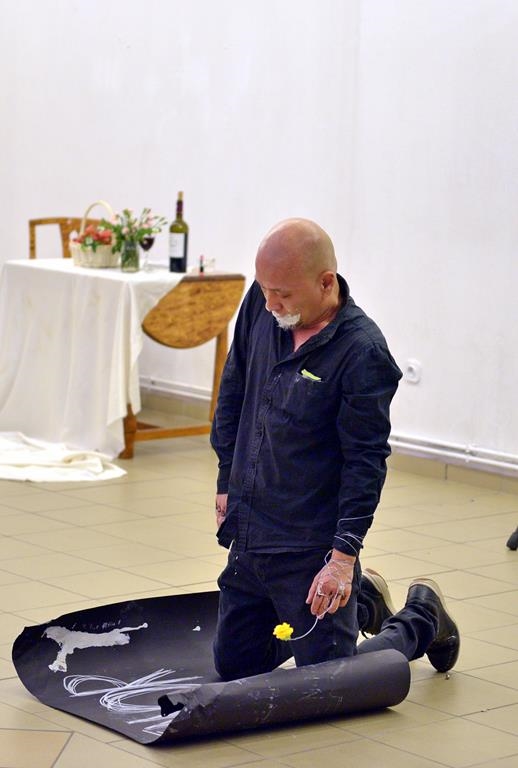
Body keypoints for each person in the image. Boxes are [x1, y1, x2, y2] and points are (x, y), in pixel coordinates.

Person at [210, 218, 460, 681]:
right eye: (264, 290)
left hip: (310, 547)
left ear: (326, 283)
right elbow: (233, 388)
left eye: (282, 294)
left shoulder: (362, 351)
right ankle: (363, 603)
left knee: (330, 680)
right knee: (235, 666)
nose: (270, 303)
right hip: (251, 535)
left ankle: (423, 617)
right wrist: (227, 478)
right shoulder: (261, 306)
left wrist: (343, 559)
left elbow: (366, 461)